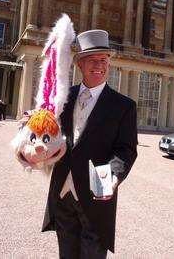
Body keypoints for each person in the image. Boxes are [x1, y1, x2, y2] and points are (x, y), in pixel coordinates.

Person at [42, 30, 138, 258]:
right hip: (63, 193)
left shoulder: (124, 106)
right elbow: (49, 133)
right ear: (80, 65)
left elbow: (126, 149)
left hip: (97, 197)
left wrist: (113, 176)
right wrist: (33, 130)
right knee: (66, 253)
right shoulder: (62, 98)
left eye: (104, 60)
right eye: (93, 60)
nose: (99, 65)